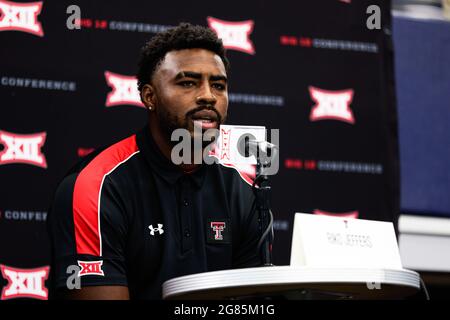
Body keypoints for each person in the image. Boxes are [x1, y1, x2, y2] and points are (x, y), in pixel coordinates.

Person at [47, 22, 262, 300]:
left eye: (218, 85)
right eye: (188, 82)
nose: (208, 96)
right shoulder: (97, 188)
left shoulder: (244, 191)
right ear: (150, 97)